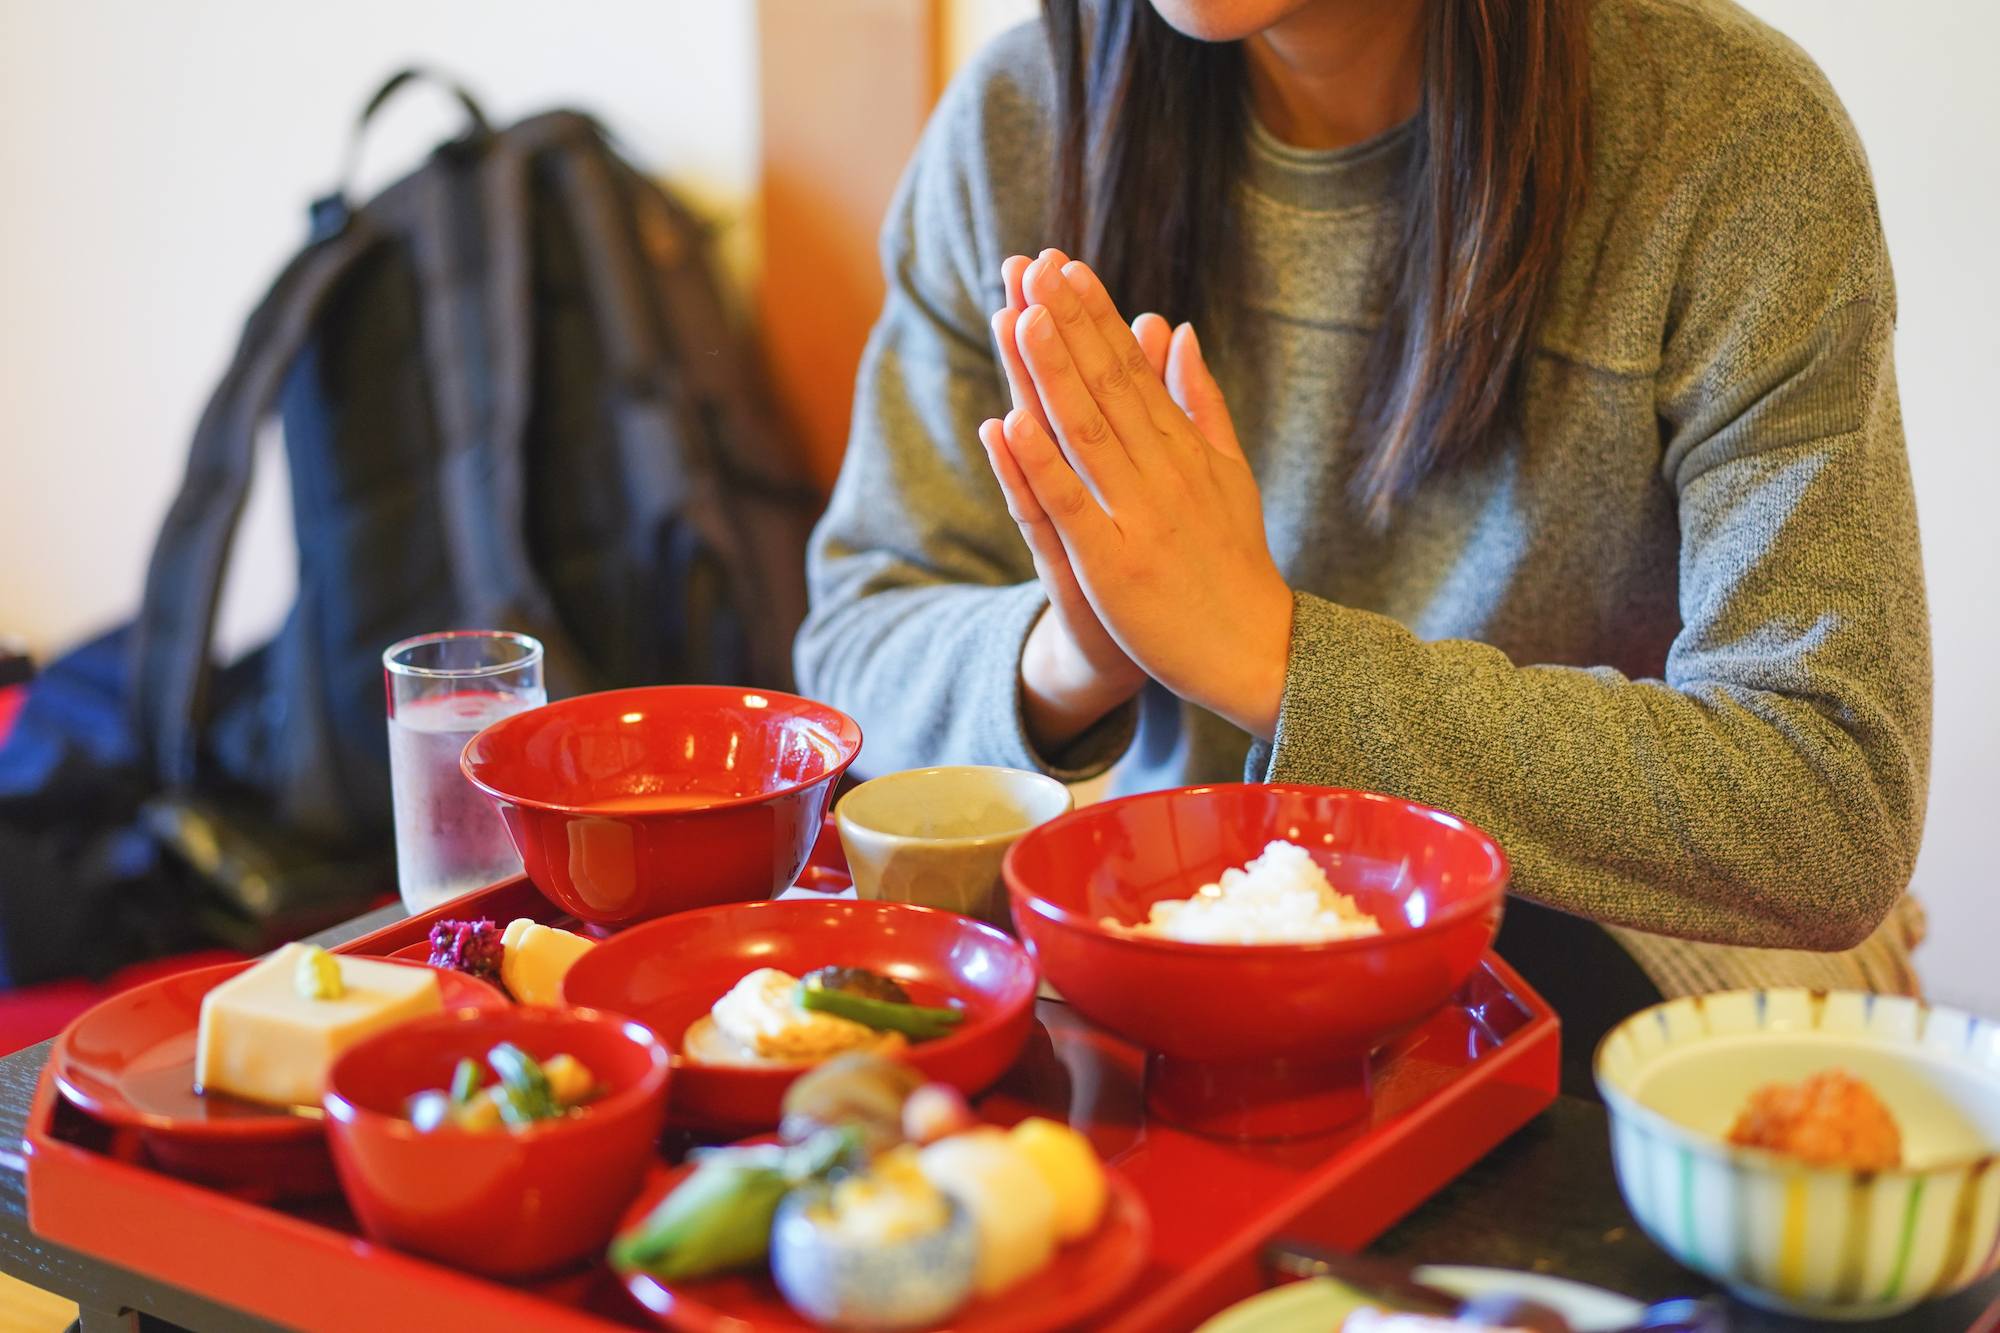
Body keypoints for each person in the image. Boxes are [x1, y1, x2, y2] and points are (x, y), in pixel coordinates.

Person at [795, 0, 1930, 1091]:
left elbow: (1828, 800)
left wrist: (1274, 659)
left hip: (1606, 944)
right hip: (1173, 946)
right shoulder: (1020, 116)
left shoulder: (1725, 132)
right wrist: (1075, 651)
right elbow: (856, 640)